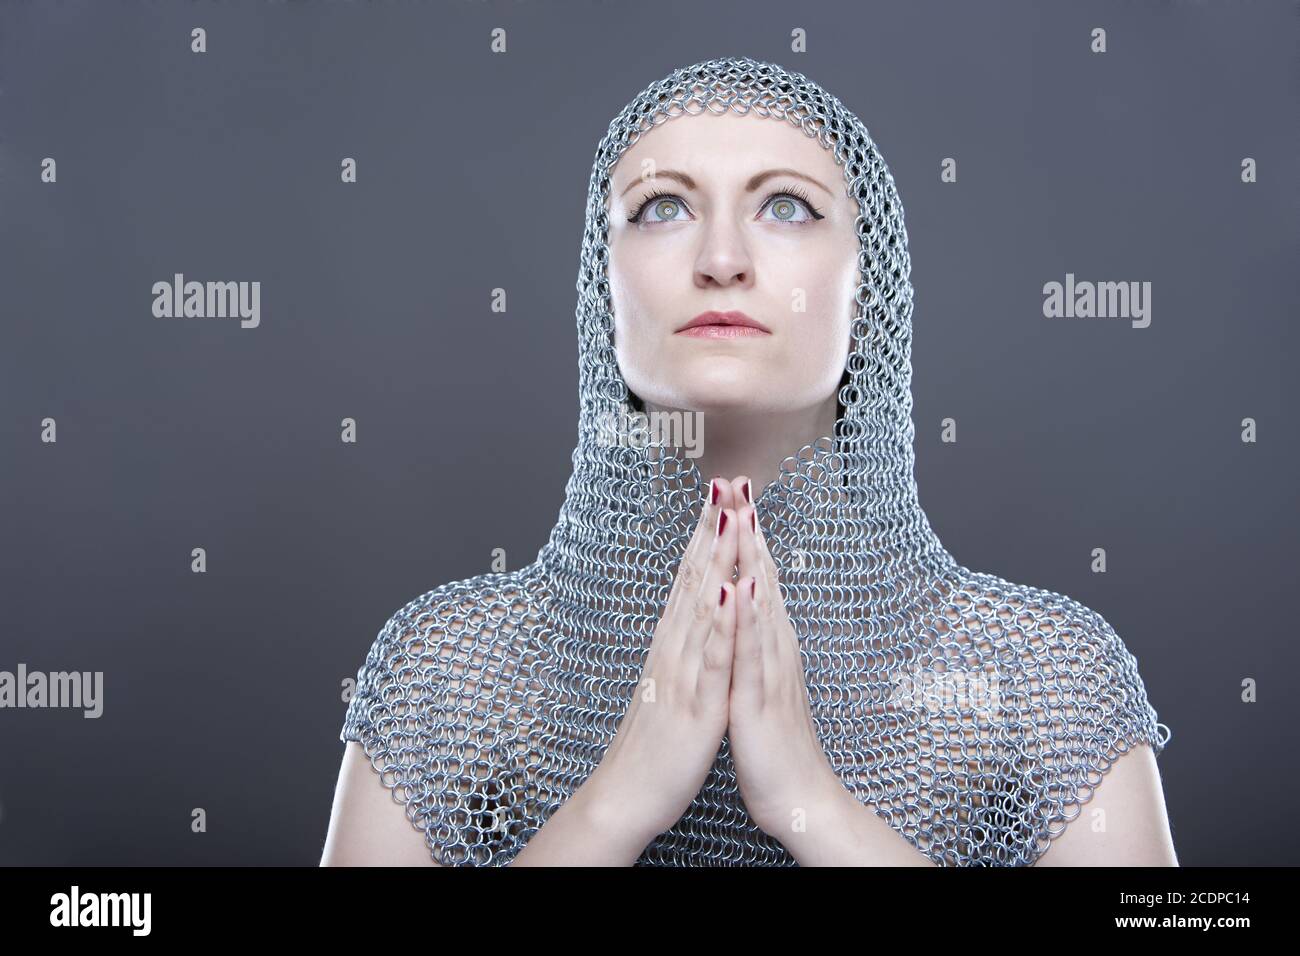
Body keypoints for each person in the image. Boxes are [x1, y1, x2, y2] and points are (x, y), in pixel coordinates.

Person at [320, 56, 1176, 867]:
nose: (721, 260)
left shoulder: (1039, 676)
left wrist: (816, 806)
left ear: (867, 283)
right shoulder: (457, 674)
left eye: (787, 206)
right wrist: (615, 805)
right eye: (662, 208)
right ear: (601, 281)